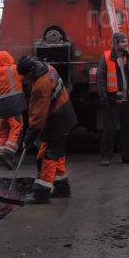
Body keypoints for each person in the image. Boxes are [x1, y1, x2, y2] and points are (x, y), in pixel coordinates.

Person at [17, 55, 77, 204]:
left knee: (48, 156)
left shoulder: (41, 85)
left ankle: (42, 193)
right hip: (63, 113)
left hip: (59, 118)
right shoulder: (48, 68)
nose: (25, 79)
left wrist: (28, 138)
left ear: (31, 71)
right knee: (57, 153)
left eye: (25, 75)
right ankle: (62, 187)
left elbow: (38, 116)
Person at [96, 32, 129, 166]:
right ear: (116, 43)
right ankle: (106, 157)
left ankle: (127, 157)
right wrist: (103, 97)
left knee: (128, 130)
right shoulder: (106, 57)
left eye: (125, 42)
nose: (126, 44)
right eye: (123, 42)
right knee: (109, 130)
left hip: (128, 100)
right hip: (113, 101)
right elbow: (100, 79)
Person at [0, 51, 26, 169]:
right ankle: (8, 154)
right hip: (14, 105)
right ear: (9, 58)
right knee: (16, 128)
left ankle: (2, 156)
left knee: (3, 132)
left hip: (1, 108)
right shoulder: (15, 69)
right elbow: (26, 79)